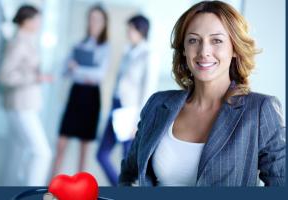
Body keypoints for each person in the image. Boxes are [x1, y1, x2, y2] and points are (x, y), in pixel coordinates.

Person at [119, 1, 285, 186]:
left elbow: (281, 187)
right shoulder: (157, 104)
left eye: (216, 40)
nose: (204, 51)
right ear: (183, 50)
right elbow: (129, 175)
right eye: (193, 40)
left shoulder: (261, 110)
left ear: (235, 49)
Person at [51, 5, 110, 176]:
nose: (94, 22)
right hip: (76, 93)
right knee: (61, 143)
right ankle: (51, 186)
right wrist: (77, 70)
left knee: (84, 147)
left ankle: (80, 188)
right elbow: (64, 71)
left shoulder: (105, 47)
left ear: (104, 22)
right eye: (91, 18)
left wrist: (76, 69)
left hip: (91, 96)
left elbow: (99, 75)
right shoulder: (79, 43)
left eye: (98, 19)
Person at [0, 5, 53, 186]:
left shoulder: (27, 41)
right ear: (27, 21)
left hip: (24, 105)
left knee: (17, 152)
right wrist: (34, 77)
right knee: (42, 153)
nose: (39, 23)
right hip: (20, 106)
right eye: (37, 19)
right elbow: (5, 76)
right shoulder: (19, 43)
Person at [97, 15, 150, 186]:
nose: (127, 33)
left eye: (130, 29)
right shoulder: (127, 51)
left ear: (140, 31)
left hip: (131, 112)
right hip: (116, 106)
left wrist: (138, 120)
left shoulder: (148, 55)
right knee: (101, 154)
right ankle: (118, 188)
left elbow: (147, 90)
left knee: (126, 159)